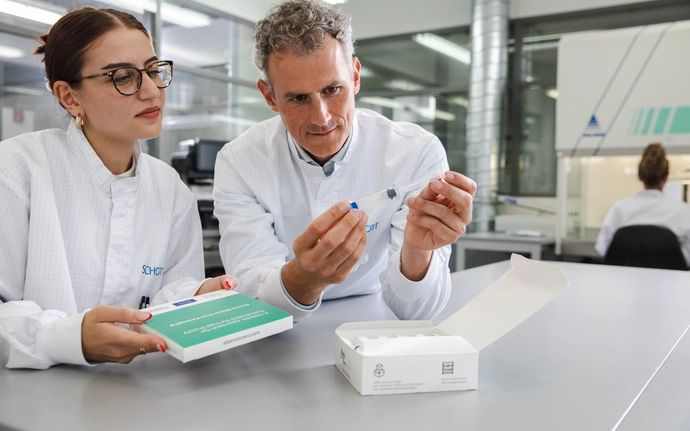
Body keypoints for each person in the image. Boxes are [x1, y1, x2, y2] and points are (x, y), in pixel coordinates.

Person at [0, 7, 237, 370]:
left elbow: (168, 296)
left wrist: (197, 296)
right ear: (70, 97)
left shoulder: (169, 188)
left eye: (153, 70)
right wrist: (69, 338)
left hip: (138, 394)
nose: (151, 90)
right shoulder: (17, 169)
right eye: (122, 77)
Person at [213, 0, 475, 322]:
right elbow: (254, 298)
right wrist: (305, 278)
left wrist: (418, 250)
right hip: (279, 336)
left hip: (370, 320)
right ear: (269, 97)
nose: (321, 118)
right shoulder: (239, 162)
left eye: (333, 89)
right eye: (297, 98)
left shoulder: (415, 152)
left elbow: (415, 311)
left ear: (355, 77)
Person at [595, 143, 690, 264]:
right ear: (666, 177)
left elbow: (603, 249)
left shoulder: (619, 209)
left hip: (623, 281)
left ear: (639, 176)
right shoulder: (682, 211)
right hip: (670, 281)